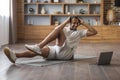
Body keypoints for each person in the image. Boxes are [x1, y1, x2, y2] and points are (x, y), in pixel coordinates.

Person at [3, 16, 97, 63]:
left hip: (66, 54)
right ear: (69, 22)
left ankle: (38, 45)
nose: (75, 25)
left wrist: (83, 22)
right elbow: (57, 29)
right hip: (56, 50)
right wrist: (66, 21)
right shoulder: (64, 28)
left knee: (58, 30)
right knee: (39, 51)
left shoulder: (80, 33)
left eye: (77, 24)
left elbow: (94, 32)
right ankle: (15, 56)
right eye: (73, 23)